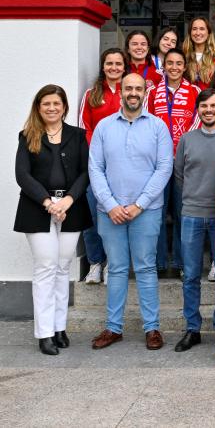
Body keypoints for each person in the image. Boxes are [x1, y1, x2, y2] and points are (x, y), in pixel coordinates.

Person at [88, 73, 173, 351]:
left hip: (146, 211)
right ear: (121, 92)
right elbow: (95, 169)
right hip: (109, 211)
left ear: (144, 93)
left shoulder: (158, 127)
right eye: (128, 88)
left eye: (138, 88)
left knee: (146, 268)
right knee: (117, 269)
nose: (133, 92)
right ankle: (113, 328)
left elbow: (164, 169)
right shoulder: (103, 127)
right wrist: (111, 204)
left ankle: (152, 328)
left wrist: (140, 204)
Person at [14, 84, 92, 355]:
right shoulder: (27, 136)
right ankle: (44, 332)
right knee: (46, 267)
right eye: (46, 103)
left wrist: (68, 200)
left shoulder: (78, 136)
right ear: (38, 107)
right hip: (38, 208)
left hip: (71, 207)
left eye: (56, 104)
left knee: (62, 267)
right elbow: (22, 176)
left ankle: (60, 327)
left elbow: (85, 172)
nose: (51, 108)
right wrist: (49, 203)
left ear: (64, 107)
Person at [172, 89, 215, 353]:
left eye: (214, 106)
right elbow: (179, 175)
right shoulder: (187, 139)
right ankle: (192, 328)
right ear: (197, 110)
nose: (208, 110)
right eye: (204, 106)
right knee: (190, 275)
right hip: (191, 214)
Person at [146, 48, 200, 275]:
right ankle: (158, 264)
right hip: (157, 164)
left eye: (179, 63)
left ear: (185, 67)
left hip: (184, 163)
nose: (175, 67)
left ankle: (180, 263)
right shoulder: (152, 92)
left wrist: (186, 153)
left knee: (182, 214)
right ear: (164, 67)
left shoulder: (195, 91)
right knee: (156, 213)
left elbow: (197, 124)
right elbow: (146, 124)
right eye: (170, 63)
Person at [77, 48, 127, 284]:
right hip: (95, 165)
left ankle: (112, 264)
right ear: (103, 66)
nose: (114, 67)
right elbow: (84, 128)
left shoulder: (131, 93)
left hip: (122, 166)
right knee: (93, 216)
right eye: (109, 63)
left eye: (118, 63)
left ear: (124, 67)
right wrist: (97, 156)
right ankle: (95, 263)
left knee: (115, 215)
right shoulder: (92, 94)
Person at [183, 16, 215, 87]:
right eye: (194, 29)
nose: (198, 33)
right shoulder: (182, 57)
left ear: (208, 33)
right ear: (190, 33)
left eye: (202, 29)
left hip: (210, 97)